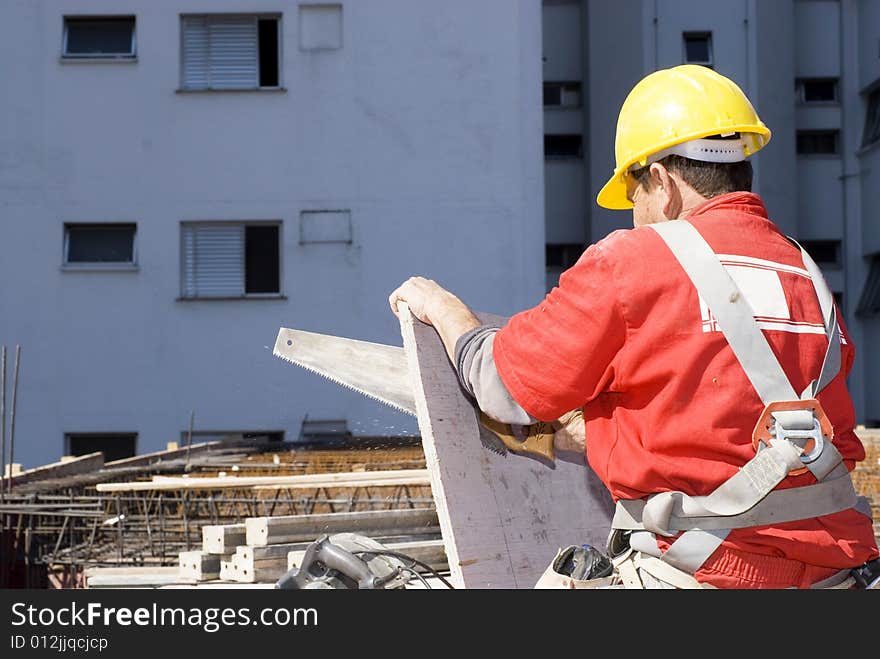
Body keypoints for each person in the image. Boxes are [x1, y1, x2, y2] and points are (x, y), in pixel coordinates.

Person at [388, 64, 879, 589]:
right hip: (838, 576)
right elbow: (736, 415)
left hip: (705, 570)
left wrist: (443, 310)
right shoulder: (803, 273)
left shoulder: (634, 260)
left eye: (635, 198)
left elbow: (501, 388)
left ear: (662, 183)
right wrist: (600, 428)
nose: (635, 216)